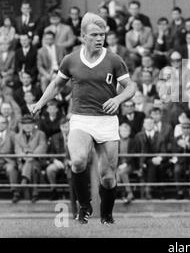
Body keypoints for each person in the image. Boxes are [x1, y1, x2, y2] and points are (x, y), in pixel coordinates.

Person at [30, 13, 137, 225]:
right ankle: (85, 206)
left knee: (107, 176)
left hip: (107, 121)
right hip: (81, 118)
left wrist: (118, 99)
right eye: (94, 34)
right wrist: (40, 102)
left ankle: (106, 215)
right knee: (77, 161)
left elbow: (131, 87)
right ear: (83, 37)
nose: (99, 38)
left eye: (102, 34)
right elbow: (57, 84)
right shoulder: (71, 59)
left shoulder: (114, 60)